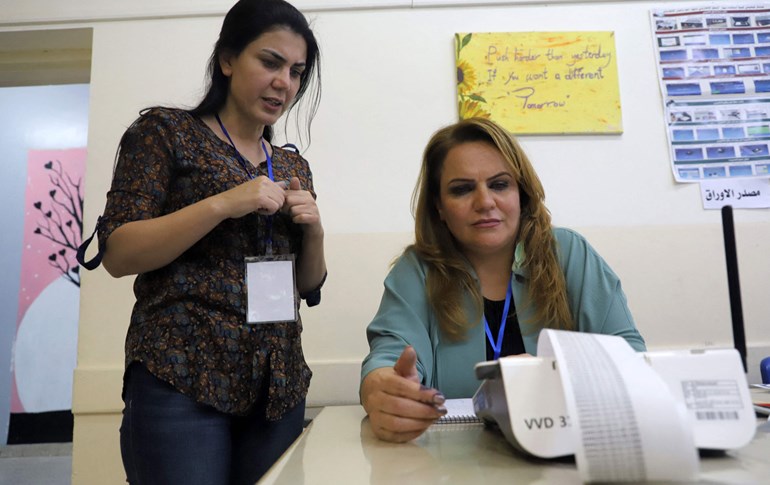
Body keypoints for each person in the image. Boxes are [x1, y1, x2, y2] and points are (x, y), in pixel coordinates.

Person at [89, 1, 326, 483]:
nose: (285, 82)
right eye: (270, 61)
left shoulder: (292, 165)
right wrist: (223, 203)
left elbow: (308, 284)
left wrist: (315, 231)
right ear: (226, 60)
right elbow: (117, 253)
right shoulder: (164, 132)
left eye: (297, 71)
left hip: (276, 385)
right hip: (182, 380)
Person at [359, 118, 645, 443]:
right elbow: (387, 357)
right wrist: (380, 389)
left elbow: (630, 356)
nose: (484, 202)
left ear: (521, 193)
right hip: (457, 462)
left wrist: (551, 373)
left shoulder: (569, 253)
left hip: (566, 450)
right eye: (462, 189)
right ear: (439, 207)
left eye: (499, 184)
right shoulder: (417, 270)